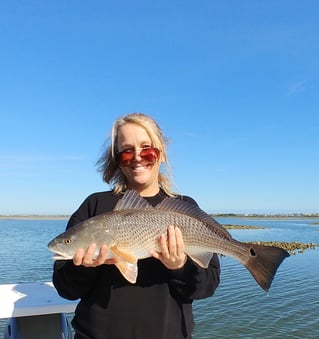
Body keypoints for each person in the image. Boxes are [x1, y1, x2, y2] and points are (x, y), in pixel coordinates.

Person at [53, 113, 220, 339]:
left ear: (161, 154)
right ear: (117, 157)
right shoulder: (95, 205)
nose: (138, 158)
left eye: (147, 149)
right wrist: (82, 267)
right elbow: (66, 289)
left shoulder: (185, 207)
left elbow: (206, 287)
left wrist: (179, 267)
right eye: (127, 151)